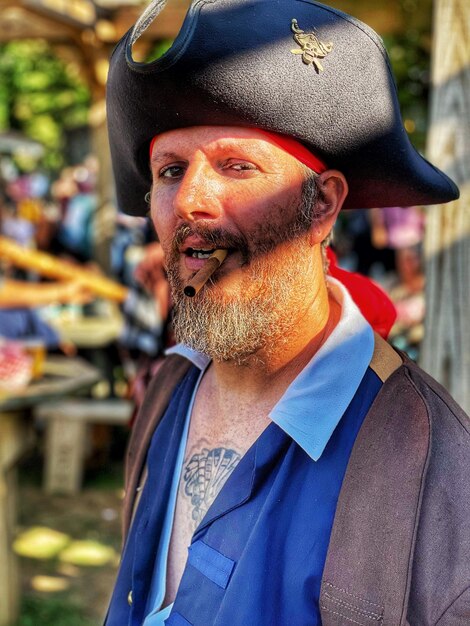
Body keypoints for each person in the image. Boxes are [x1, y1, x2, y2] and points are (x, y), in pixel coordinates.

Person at [104, 1, 469, 625]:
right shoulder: (169, 385)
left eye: (236, 166)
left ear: (322, 205)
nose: (190, 200)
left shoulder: (438, 477)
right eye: (170, 171)